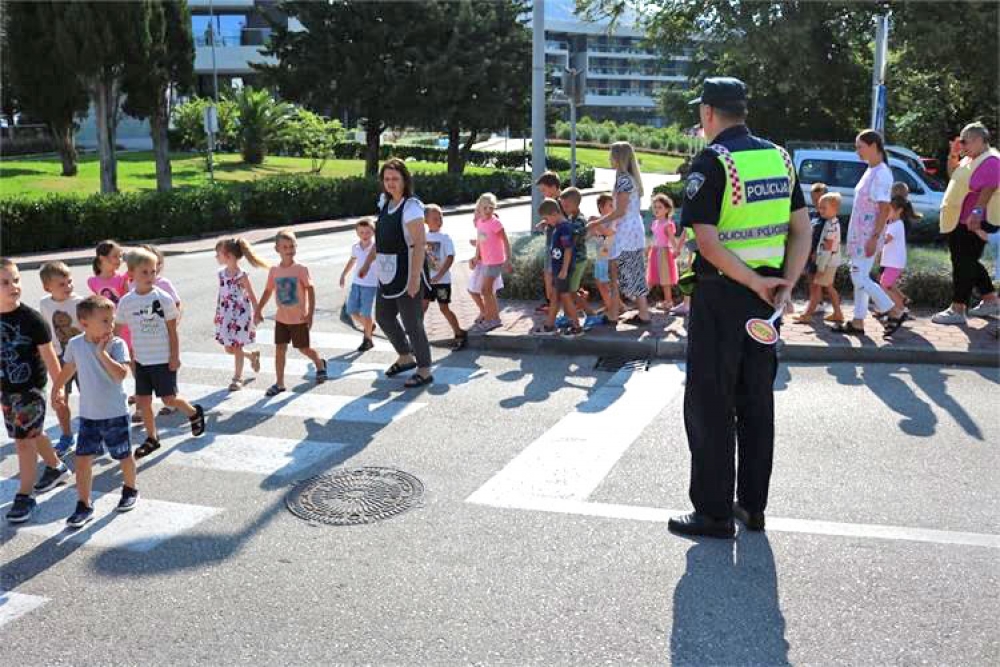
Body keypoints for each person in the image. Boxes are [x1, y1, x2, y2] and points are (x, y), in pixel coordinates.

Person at [667, 77, 812, 539]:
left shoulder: (713, 162)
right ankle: (752, 506)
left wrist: (751, 279)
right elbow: (802, 229)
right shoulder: (780, 158)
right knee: (755, 403)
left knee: (711, 403)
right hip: (766, 302)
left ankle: (712, 513)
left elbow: (705, 241)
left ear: (709, 113)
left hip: (722, 296)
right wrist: (783, 284)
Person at [51, 296, 138, 528]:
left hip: (115, 414)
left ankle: (130, 489)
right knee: (82, 461)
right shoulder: (76, 344)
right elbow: (68, 368)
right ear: (84, 322)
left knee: (124, 456)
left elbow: (120, 375)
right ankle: (84, 504)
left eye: (111, 320)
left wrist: (102, 354)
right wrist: (57, 388)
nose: (110, 326)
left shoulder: (116, 344)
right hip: (89, 416)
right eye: (104, 321)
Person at [117, 248, 205, 459]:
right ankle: (152, 438)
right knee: (143, 401)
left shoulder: (163, 298)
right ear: (131, 273)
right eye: (144, 272)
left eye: (153, 272)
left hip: (162, 358)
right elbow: (117, 331)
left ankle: (194, 412)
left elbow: (172, 331)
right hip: (141, 359)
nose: (150, 277)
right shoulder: (127, 302)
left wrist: (174, 356)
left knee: (169, 399)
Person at [2, 258, 71, 524]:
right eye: (5, 283)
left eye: (16, 280)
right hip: (7, 391)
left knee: (23, 442)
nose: (13, 286)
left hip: (31, 389)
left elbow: (50, 357)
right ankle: (55, 467)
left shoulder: (32, 320)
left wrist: (59, 388)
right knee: (33, 433)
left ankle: (25, 495)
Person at [358, 158, 434, 388]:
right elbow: (380, 241)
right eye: (387, 179)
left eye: (395, 179)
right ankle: (405, 356)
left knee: (413, 323)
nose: (390, 183)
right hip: (387, 272)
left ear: (404, 180)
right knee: (383, 316)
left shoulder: (411, 207)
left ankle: (424, 368)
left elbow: (420, 244)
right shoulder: (385, 204)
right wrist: (366, 264)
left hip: (408, 272)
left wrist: (414, 280)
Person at [832, 129, 907, 336]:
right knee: (860, 277)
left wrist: (875, 237)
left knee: (860, 278)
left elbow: (884, 209)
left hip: (868, 235)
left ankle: (893, 310)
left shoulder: (882, 173)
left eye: (860, 147)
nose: (857, 152)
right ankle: (857, 322)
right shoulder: (871, 169)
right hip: (861, 234)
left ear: (874, 146)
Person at [932, 121, 1000, 324]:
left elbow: (988, 187)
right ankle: (990, 300)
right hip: (960, 220)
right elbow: (953, 175)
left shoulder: (991, 160)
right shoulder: (971, 159)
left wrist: (977, 213)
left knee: (963, 263)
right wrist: (953, 155)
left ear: (979, 140)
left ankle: (958, 308)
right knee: (967, 261)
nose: (962, 145)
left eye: (965, 141)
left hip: (974, 221)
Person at [255, 229, 328, 395]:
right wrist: (259, 309)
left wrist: (310, 313)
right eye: (285, 247)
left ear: (296, 247)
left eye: (291, 246)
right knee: (280, 349)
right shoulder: (274, 270)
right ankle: (279, 383)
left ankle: (319, 363)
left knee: (304, 348)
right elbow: (268, 291)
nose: (289, 250)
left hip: (299, 318)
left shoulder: (301, 269)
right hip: (281, 319)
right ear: (277, 249)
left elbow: (310, 289)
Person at [588, 141, 651, 326]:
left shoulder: (623, 179)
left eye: (611, 154)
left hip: (625, 232)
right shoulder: (630, 178)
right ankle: (641, 314)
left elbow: (620, 211)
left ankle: (614, 315)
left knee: (616, 274)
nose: (609, 158)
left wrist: (596, 222)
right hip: (631, 231)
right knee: (632, 272)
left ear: (618, 157)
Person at [38, 261, 83, 457]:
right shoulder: (44, 304)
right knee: (60, 398)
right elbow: (45, 331)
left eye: (69, 282)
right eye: (61, 284)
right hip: (58, 358)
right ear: (47, 287)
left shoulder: (80, 302)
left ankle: (94, 432)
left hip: (82, 357)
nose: (68, 287)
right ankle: (66, 435)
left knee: (89, 396)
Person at [215, 237, 267, 390]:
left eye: (218, 254)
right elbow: (221, 293)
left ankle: (237, 378)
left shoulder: (242, 275)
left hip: (240, 315)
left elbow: (250, 293)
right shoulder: (221, 274)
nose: (216, 257)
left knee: (237, 347)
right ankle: (252, 356)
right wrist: (216, 312)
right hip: (225, 314)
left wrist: (258, 311)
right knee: (229, 348)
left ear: (228, 256)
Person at [532, 198, 582, 337]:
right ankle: (549, 326)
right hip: (557, 269)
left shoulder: (565, 228)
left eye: (547, 218)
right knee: (554, 297)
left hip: (562, 271)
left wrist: (564, 270)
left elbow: (568, 249)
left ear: (554, 214)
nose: (547, 221)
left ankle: (577, 327)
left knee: (565, 297)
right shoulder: (558, 226)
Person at [422, 204, 467, 350]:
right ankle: (417, 337)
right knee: (422, 307)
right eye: (435, 217)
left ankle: (459, 333)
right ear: (425, 220)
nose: (439, 219)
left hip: (442, 282)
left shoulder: (445, 238)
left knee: (444, 308)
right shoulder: (423, 238)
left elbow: (450, 257)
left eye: (441, 216)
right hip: (427, 282)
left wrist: (440, 274)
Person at [795, 192, 845, 323]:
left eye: (824, 208)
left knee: (817, 287)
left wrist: (821, 266)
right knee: (828, 287)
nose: (820, 210)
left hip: (827, 263)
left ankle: (807, 315)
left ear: (835, 209)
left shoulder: (831, 226)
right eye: (820, 207)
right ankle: (838, 313)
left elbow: (828, 248)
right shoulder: (831, 222)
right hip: (828, 262)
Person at [557, 187, 602, 328]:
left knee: (571, 291)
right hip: (572, 260)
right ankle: (568, 315)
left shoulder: (579, 220)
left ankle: (591, 314)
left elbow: (572, 240)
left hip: (577, 260)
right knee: (569, 290)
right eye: (562, 206)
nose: (564, 208)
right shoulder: (571, 217)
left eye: (566, 206)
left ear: (575, 204)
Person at [471, 193, 511, 332]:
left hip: (496, 261)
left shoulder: (495, 223)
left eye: (491, 208)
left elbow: (505, 241)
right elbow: (480, 242)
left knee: (485, 290)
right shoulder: (480, 223)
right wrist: (476, 258)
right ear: (479, 208)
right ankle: (494, 319)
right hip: (486, 261)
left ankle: (491, 319)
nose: (488, 211)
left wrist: (508, 259)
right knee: (488, 291)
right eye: (485, 208)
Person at [340, 219, 379, 352]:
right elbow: (352, 260)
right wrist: (344, 274)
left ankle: (367, 339)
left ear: (373, 232)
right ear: (357, 233)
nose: (364, 234)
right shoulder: (355, 247)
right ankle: (369, 326)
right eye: (361, 232)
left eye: (368, 232)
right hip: (357, 283)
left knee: (365, 312)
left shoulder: (376, 247)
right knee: (351, 310)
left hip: (370, 285)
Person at [534, 172, 563, 314]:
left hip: (555, 245)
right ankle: (551, 302)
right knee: (549, 274)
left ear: (553, 187)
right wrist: (545, 222)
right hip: (551, 243)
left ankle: (552, 304)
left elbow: (560, 221)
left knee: (550, 274)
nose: (543, 194)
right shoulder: (559, 201)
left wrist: (547, 222)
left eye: (544, 190)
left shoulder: (560, 202)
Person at [646, 193, 681, 311]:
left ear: (667, 209)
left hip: (664, 253)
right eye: (655, 207)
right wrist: (649, 248)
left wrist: (676, 249)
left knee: (665, 278)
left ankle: (668, 301)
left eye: (660, 207)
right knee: (653, 276)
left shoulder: (667, 224)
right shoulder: (655, 223)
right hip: (655, 252)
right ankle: (641, 298)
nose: (656, 209)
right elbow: (655, 238)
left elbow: (672, 239)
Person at [586, 194, 616, 327]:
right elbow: (586, 236)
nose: (613, 208)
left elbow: (608, 233)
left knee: (604, 284)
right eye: (610, 205)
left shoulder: (612, 221)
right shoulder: (598, 223)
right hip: (600, 258)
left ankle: (612, 308)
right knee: (601, 283)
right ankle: (613, 305)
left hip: (608, 258)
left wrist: (595, 222)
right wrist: (589, 227)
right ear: (601, 207)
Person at [879, 196, 911, 315]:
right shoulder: (892, 223)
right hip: (892, 262)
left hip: (895, 263)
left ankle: (901, 309)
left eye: (889, 210)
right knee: (889, 285)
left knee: (884, 286)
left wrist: (873, 239)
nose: (885, 213)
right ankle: (903, 302)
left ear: (899, 211)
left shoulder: (897, 225)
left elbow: (885, 240)